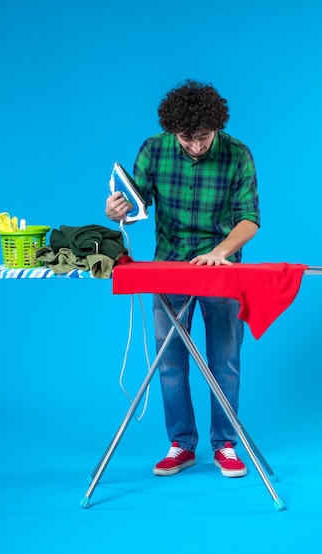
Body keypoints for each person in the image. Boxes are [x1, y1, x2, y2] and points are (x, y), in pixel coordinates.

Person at [105, 79, 260, 478]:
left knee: (225, 361)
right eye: (186, 139)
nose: (195, 147)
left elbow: (249, 219)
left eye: (203, 138)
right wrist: (116, 209)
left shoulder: (238, 154)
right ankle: (181, 445)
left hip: (222, 268)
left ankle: (225, 445)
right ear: (173, 131)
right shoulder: (153, 150)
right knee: (170, 361)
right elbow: (135, 204)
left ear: (216, 127)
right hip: (169, 266)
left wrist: (220, 251)